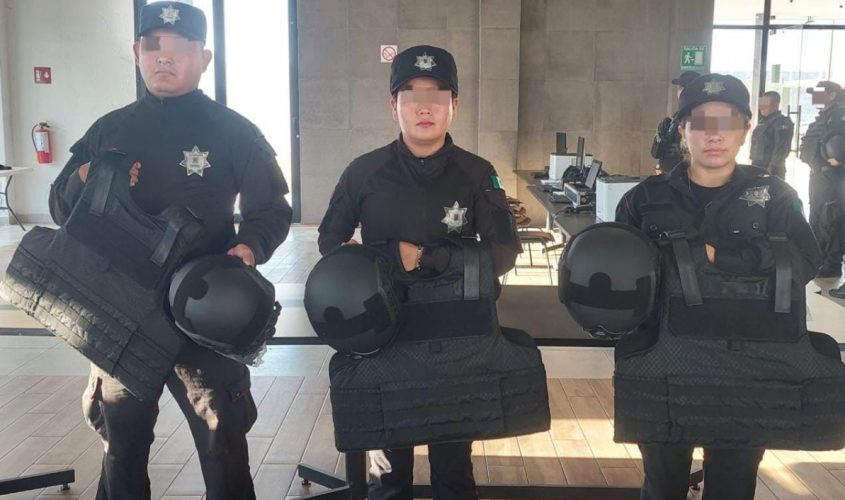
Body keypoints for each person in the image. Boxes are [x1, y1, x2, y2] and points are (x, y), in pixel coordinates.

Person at [47, 2, 292, 499]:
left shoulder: (234, 130)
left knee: (224, 443)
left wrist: (248, 248)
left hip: (205, 312)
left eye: (180, 47)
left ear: (204, 58)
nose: (164, 56)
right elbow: (59, 207)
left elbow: (271, 210)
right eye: (153, 45)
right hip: (121, 314)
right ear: (137, 52)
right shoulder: (109, 130)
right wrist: (87, 175)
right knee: (122, 447)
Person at [317, 45, 520, 500]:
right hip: (385, 336)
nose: (423, 107)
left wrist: (429, 259)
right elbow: (330, 241)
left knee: (453, 473)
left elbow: (505, 253)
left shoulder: (478, 173)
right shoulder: (363, 172)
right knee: (389, 478)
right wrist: (387, 257)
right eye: (410, 95)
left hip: (456, 339)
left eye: (436, 95)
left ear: (454, 105)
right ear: (394, 105)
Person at [616, 74, 822, 499]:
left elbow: (804, 262)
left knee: (732, 485)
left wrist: (720, 258)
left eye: (727, 122)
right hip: (666, 363)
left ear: (745, 129)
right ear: (682, 130)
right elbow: (622, 276)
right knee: (662, 484)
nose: (714, 135)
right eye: (700, 123)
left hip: (747, 367)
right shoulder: (645, 199)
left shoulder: (775, 196)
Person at [800, 80, 845, 279]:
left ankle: (832, 264)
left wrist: (840, 156)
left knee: (831, 218)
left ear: (832, 95)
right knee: (817, 217)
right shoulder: (822, 117)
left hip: (831, 176)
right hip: (817, 174)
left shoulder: (840, 115)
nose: (815, 96)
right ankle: (818, 260)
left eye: (819, 92)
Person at [651, 71, 701, 174]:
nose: (679, 92)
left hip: (685, 175)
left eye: (683, 88)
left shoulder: (699, 116)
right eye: (679, 88)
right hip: (670, 174)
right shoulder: (677, 116)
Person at [750, 90, 794, 179]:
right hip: (757, 167)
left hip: (772, 170)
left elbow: (781, 149)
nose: (761, 107)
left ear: (775, 104)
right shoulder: (763, 122)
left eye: (765, 103)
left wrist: (770, 171)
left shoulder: (782, 122)